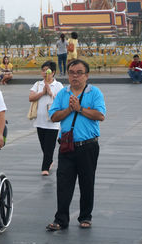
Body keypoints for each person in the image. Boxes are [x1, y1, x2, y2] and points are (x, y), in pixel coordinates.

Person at [46, 59, 106, 231]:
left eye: (79, 73)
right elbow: (53, 116)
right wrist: (69, 110)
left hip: (88, 146)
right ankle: (61, 219)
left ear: (86, 75)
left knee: (87, 182)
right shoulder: (63, 94)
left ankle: (85, 216)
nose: (75, 76)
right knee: (63, 183)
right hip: (67, 146)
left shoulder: (94, 93)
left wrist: (79, 108)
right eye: (72, 72)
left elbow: (100, 115)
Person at [29, 61, 63, 176]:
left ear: (53, 72)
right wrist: (42, 92)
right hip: (40, 121)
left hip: (53, 121)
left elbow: (62, 101)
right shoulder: (38, 84)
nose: (44, 73)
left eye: (47, 70)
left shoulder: (58, 86)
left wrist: (50, 93)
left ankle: (45, 168)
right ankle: (49, 160)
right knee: (44, 145)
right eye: (43, 70)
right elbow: (31, 97)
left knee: (50, 146)